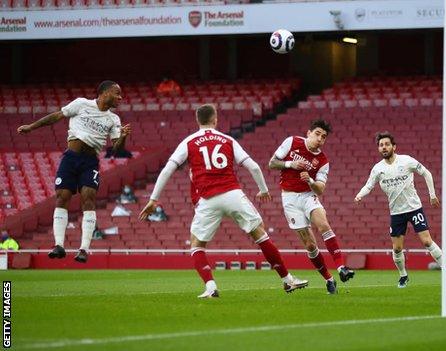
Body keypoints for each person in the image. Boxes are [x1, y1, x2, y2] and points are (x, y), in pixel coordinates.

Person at [139, 104, 307, 298]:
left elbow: (168, 169)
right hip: (233, 194)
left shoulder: (189, 141)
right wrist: (263, 190)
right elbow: (253, 167)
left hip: (207, 199)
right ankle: (287, 280)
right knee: (260, 234)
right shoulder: (228, 140)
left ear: (198, 120)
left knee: (197, 244)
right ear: (215, 119)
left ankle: (210, 287)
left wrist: (153, 199)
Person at [17, 80, 130, 263]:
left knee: (89, 197)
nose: (120, 97)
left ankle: (84, 249)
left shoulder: (113, 119)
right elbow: (57, 116)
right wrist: (31, 127)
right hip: (71, 158)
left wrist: (123, 137)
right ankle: (59, 245)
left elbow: (116, 148)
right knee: (62, 196)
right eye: (117, 93)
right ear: (104, 93)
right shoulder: (81, 104)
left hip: (90, 161)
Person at [269, 119, 354, 295]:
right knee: (309, 245)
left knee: (323, 225)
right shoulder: (292, 142)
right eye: (317, 134)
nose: (320, 139)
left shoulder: (322, 161)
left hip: (308, 196)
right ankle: (329, 279)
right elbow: (272, 163)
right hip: (290, 198)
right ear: (308, 133)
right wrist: (289, 164)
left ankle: (341, 267)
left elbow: (320, 189)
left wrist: (311, 180)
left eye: (323, 137)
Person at [354, 132, 442, 288]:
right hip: (396, 212)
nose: (384, 147)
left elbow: (426, 172)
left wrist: (432, 194)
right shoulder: (378, 169)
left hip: (414, 208)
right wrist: (360, 195)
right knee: (397, 248)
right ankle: (403, 276)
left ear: (394, 147)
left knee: (427, 241)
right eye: (381, 145)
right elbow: (369, 185)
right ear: (379, 149)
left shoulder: (407, 161)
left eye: (387, 144)